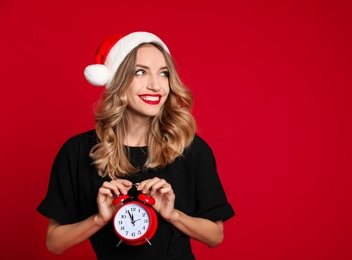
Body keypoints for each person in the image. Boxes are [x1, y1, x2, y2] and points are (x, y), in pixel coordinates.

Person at [37, 31, 235, 260]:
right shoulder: (78, 151)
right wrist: (99, 218)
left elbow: (215, 236)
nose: (155, 85)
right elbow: (54, 243)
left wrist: (172, 215)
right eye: (140, 72)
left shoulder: (190, 149)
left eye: (164, 74)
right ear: (117, 79)